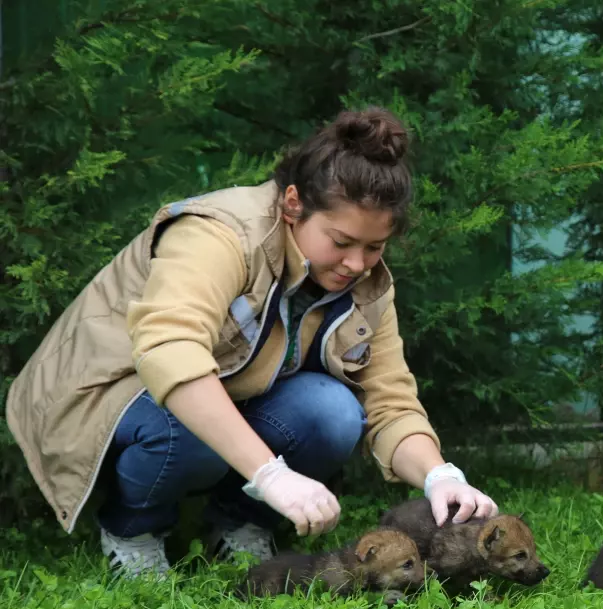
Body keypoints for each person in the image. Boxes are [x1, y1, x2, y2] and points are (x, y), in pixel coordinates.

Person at [5, 107, 497, 579]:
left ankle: (238, 525)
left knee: (334, 412)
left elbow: (389, 400)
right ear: (291, 205)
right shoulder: (218, 233)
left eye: (374, 247)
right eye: (341, 241)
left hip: (224, 390)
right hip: (107, 393)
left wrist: (439, 476)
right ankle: (132, 531)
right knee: (186, 428)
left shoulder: (367, 284)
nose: (356, 263)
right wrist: (270, 475)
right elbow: (169, 353)